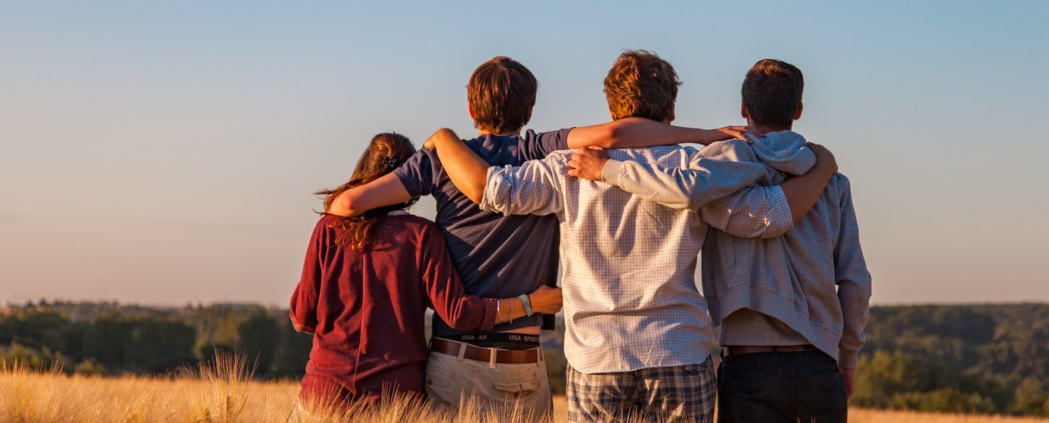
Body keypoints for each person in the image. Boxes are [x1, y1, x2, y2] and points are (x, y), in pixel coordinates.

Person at [324, 56, 748, 417]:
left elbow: (346, 206)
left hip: (460, 357)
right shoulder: (541, 150)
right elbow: (616, 135)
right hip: (531, 361)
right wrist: (705, 135)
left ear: (470, 108)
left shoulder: (443, 161)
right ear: (529, 111)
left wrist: (438, 146)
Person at [428, 50, 836, 423]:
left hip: (597, 357)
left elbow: (494, 191)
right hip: (677, 350)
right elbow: (762, 218)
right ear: (672, 108)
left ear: (611, 109)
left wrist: (442, 139)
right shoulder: (693, 169)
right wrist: (821, 168)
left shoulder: (567, 168)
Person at [567, 59, 872, 423]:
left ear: (744, 108)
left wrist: (608, 170)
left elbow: (688, 190)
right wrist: (848, 357)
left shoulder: (718, 170)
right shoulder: (832, 183)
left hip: (749, 364)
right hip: (819, 364)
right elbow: (855, 281)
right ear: (799, 110)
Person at [289, 132, 563, 409]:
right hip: (395, 398)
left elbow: (302, 319)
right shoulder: (422, 236)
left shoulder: (329, 229)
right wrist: (531, 303)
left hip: (324, 394)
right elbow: (458, 313)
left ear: (364, 169)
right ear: (411, 179)